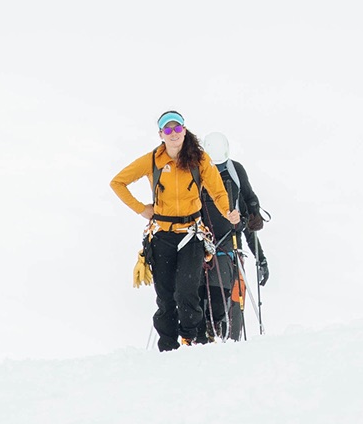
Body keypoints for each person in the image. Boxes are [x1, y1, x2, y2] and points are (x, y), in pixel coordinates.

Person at [110, 111, 239, 351]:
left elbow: (218, 191)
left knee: (187, 291)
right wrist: (141, 209)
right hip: (162, 235)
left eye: (177, 128)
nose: (173, 134)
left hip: (191, 234)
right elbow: (117, 182)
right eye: (167, 130)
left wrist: (228, 212)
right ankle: (167, 346)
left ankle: (190, 338)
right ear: (161, 134)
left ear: (184, 130)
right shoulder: (152, 160)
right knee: (165, 295)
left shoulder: (200, 159)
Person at [199, 133, 269, 340]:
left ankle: (219, 333)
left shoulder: (234, 172)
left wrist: (261, 258)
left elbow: (247, 210)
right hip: (203, 243)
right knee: (205, 293)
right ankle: (208, 333)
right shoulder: (196, 173)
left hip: (228, 243)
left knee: (221, 292)